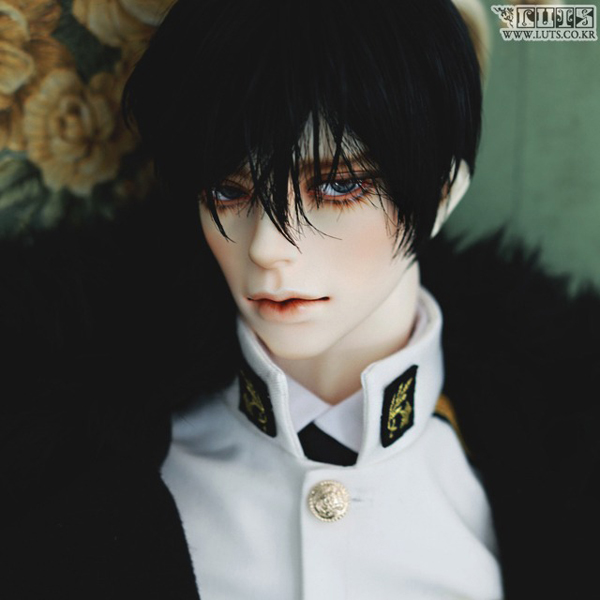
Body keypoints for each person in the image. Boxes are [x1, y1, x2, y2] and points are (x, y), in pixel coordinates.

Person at [2, 0, 598, 598]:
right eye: (226, 190)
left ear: (443, 192)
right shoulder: (71, 470)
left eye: (339, 185)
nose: (266, 248)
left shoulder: (560, 466)